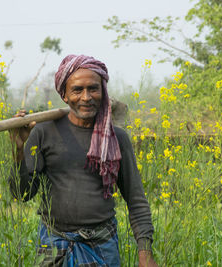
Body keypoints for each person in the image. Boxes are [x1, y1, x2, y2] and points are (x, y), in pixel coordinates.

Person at [9, 55, 158, 267]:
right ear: (65, 95)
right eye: (77, 90)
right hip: (54, 244)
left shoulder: (117, 138)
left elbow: (136, 199)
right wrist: (18, 149)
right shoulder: (43, 132)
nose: (86, 97)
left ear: (103, 92)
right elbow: (22, 193)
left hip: (102, 244)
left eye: (93, 89)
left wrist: (145, 253)